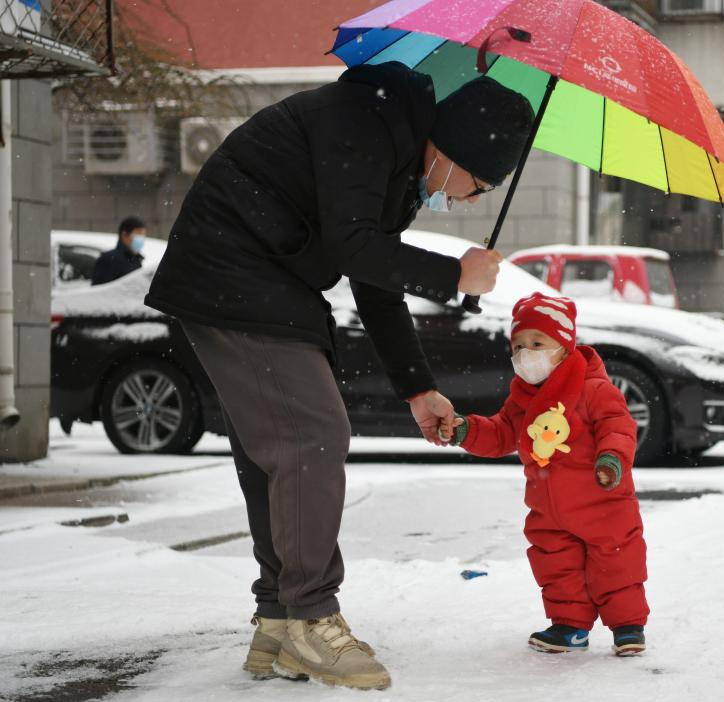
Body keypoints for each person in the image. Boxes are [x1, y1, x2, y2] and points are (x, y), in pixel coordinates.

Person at [143, 63, 534, 690]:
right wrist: (452, 274)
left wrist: (416, 387)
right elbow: (354, 247)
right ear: (455, 151)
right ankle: (310, 617)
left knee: (276, 450)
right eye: (478, 185)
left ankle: (278, 615)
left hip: (264, 280)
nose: (467, 201)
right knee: (312, 434)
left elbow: (376, 281)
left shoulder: (399, 160)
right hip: (233, 270)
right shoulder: (365, 122)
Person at [445, 292, 650, 657]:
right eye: (519, 345)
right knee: (557, 566)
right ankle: (570, 627)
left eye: (537, 343)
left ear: (564, 345)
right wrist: (466, 429)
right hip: (548, 507)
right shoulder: (522, 398)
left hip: (602, 499)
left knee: (616, 561)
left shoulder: (595, 389)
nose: (526, 353)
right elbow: (501, 432)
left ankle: (627, 627)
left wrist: (611, 460)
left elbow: (618, 427)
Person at [90, 216, 146, 285]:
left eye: (143, 234)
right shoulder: (109, 259)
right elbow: (100, 290)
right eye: (138, 233)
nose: (142, 238)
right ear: (125, 235)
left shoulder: (136, 259)